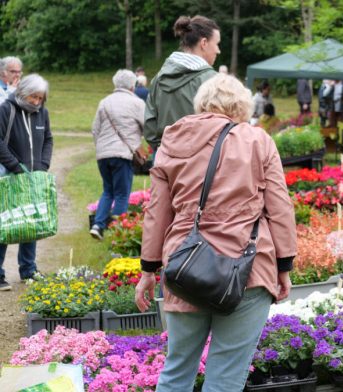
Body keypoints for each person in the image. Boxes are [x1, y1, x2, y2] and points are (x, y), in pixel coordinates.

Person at [134, 73, 296, 391]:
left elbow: (157, 211)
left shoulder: (172, 139)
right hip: (247, 266)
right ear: (241, 106)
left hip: (185, 265)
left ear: (202, 104)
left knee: (177, 369)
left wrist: (148, 269)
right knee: (226, 377)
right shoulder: (257, 140)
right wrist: (284, 266)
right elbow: (280, 208)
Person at [0, 74, 52, 291]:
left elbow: (48, 138)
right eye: (33, 97)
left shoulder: (42, 113)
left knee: (31, 221)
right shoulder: (6, 110)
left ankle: (28, 269)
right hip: (9, 175)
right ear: (23, 93)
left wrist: (43, 165)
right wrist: (14, 165)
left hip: (34, 177)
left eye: (40, 98)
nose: (36, 102)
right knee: (5, 223)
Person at [144, 15, 219, 151]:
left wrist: (165, 150)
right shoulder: (214, 81)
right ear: (204, 43)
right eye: (217, 44)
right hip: (202, 164)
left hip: (165, 161)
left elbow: (150, 128)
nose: (218, 50)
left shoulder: (158, 79)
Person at [89, 70, 146, 241]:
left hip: (103, 154)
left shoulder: (104, 102)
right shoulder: (136, 102)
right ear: (132, 86)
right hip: (122, 154)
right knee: (122, 193)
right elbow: (147, 126)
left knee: (108, 190)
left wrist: (101, 148)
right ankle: (118, 232)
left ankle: (98, 225)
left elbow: (95, 129)